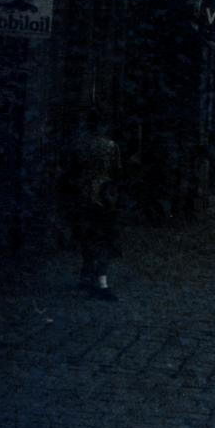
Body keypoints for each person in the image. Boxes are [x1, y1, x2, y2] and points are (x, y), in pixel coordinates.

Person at [71, 113, 121, 300]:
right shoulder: (110, 146)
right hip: (104, 196)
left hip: (83, 194)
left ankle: (86, 275)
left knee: (87, 237)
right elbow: (117, 172)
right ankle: (102, 282)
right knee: (104, 239)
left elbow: (73, 170)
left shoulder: (80, 145)